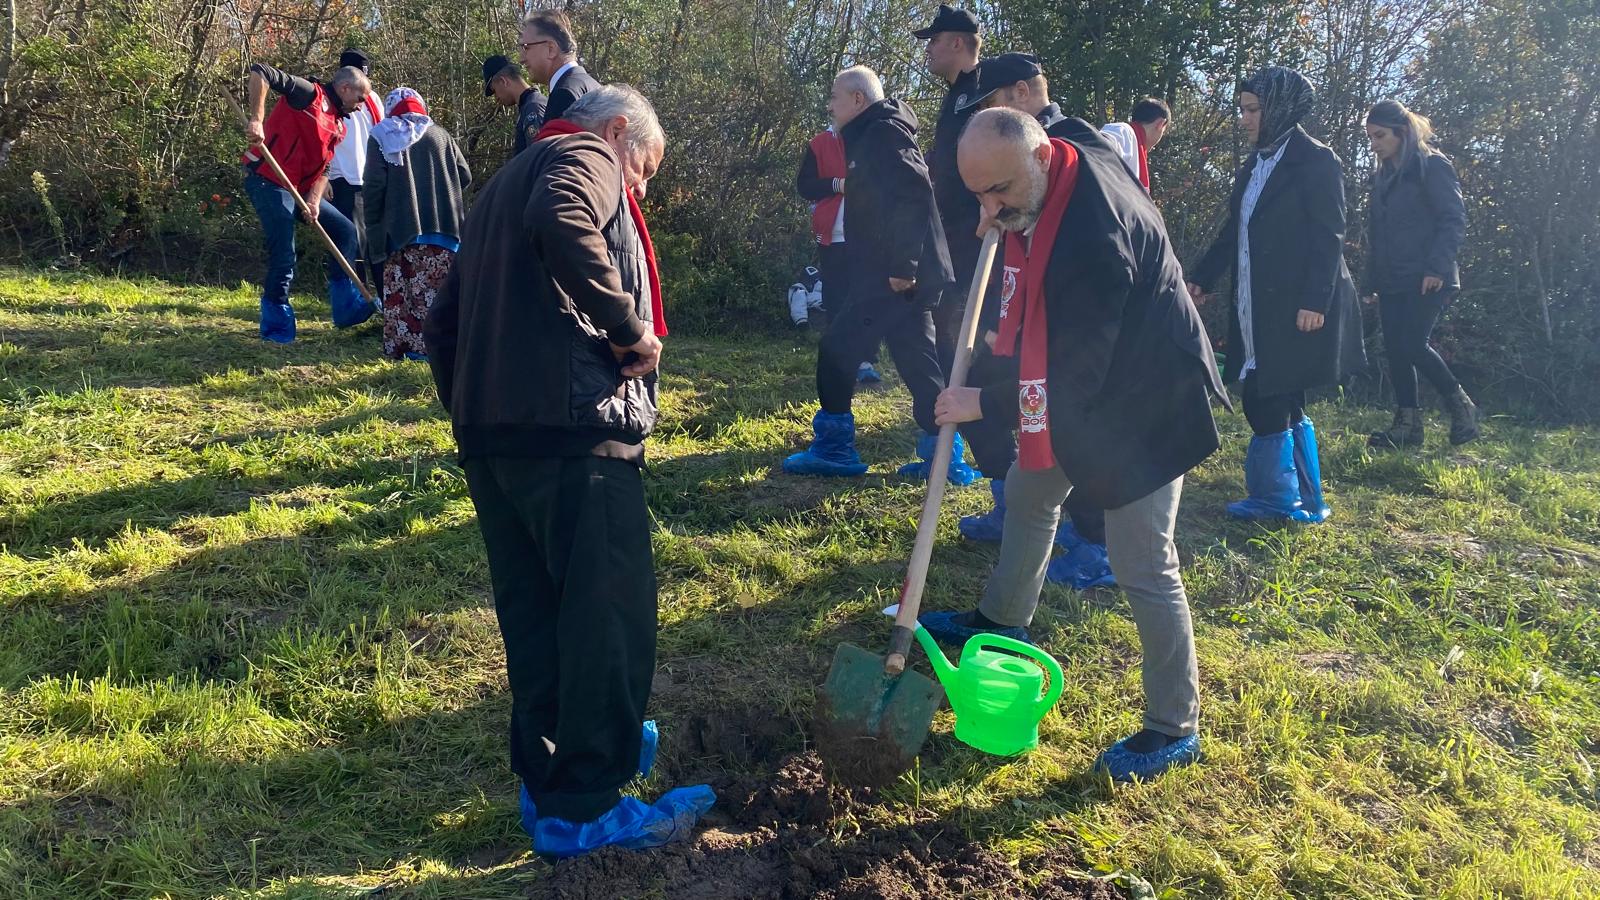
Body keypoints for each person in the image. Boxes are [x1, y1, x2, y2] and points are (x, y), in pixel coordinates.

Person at [423, 84, 712, 859]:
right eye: (643, 171)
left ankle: (548, 785)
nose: (637, 192)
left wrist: (475, 410)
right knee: (604, 618)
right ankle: (587, 806)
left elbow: (441, 323)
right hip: (576, 435)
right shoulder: (582, 153)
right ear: (618, 133)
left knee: (537, 620)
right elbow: (566, 216)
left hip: (494, 440)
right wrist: (628, 327)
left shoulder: (497, 189)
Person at [921, 108, 1227, 782]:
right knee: (1031, 492)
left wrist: (984, 402)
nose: (989, 211)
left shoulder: (1093, 238)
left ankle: (1174, 726)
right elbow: (1056, 125)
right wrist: (1001, 209)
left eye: (999, 192)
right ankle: (1003, 620)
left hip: (1144, 399)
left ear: (1038, 160)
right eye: (978, 195)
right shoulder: (1060, 154)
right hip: (1081, 383)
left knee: (1144, 560)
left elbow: (1075, 375)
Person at [955, 52, 1117, 591]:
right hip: (1023, 312)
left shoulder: (1076, 148)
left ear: (1022, 94)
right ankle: (1012, 504)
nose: (987, 117)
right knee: (983, 389)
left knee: (1072, 424)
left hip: (1073, 325)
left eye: (994, 103)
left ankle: (1096, 541)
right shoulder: (1004, 165)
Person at [1186, 66, 1364, 523]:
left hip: (1294, 302)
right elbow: (1236, 228)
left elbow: (1329, 235)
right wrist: (1203, 277)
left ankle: (1278, 499)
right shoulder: (1257, 162)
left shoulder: (1316, 160)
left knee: (1265, 393)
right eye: (1243, 109)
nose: (1244, 119)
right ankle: (1304, 497)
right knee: (1282, 393)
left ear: (1280, 109)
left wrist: (1315, 301)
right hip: (1255, 299)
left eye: (1252, 110)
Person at [782, 66, 958, 477]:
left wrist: (903, 266)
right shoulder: (873, 132)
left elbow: (914, 194)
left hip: (893, 275)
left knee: (837, 350)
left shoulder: (882, 133)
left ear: (858, 99)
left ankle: (835, 450)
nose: (830, 106)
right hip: (901, 273)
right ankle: (944, 459)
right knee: (917, 361)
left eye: (835, 97)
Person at [1362, 98, 1478, 447]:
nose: (1374, 144)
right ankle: (1407, 426)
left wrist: (1437, 268)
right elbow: (1377, 233)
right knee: (1395, 349)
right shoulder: (1382, 176)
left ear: (1401, 132)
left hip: (1428, 276)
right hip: (1392, 278)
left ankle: (1462, 406)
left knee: (1412, 344)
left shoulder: (1432, 165)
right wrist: (1370, 282)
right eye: (1370, 137)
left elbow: (1452, 219)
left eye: (1380, 136)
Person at [905, 2, 988, 484]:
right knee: (943, 342)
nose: (929, 50)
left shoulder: (984, 93)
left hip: (977, 247)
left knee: (966, 349)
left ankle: (988, 465)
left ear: (957, 42)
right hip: (948, 245)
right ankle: (941, 447)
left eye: (934, 41)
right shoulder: (955, 95)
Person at [240, 62, 377, 343]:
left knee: (346, 231)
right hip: (268, 179)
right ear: (344, 88)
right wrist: (256, 120)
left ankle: (345, 307)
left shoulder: (338, 124)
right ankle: (276, 325)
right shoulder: (307, 94)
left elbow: (325, 168)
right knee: (284, 254)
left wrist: (314, 201)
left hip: (300, 189)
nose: (362, 106)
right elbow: (261, 72)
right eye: (360, 98)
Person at [362, 88, 471, 361]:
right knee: (439, 293)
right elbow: (464, 174)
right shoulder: (441, 135)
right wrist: (442, 193)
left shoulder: (382, 135)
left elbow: (374, 186)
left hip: (402, 229)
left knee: (407, 292)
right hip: (446, 227)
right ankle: (445, 347)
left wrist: (373, 226)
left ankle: (410, 348)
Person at [326, 49, 383, 288]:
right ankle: (356, 292)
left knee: (374, 241)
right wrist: (325, 176)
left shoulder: (373, 100)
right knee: (351, 239)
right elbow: (323, 137)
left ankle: (381, 295)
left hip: (369, 178)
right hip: (341, 176)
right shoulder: (331, 98)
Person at [520, 10, 599, 122]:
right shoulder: (591, 85)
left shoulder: (564, 94)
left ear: (551, 49)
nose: (521, 59)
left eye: (526, 47)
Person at [1098, 98, 1171, 191]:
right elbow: (1097, 149)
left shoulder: (1134, 143)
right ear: (1160, 124)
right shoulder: (1123, 131)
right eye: (1163, 131)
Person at [482, 54, 547, 155]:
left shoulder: (533, 108)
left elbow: (539, 157)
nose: (496, 98)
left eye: (494, 91)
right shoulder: (529, 105)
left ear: (503, 81)